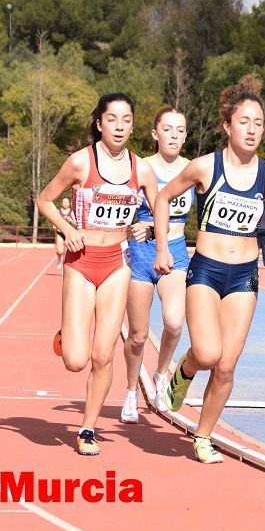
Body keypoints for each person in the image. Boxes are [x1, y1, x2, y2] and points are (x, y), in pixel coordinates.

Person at [153, 74, 265, 463]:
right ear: (227, 126)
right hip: (207, 270)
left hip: (244, 276)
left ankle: (203, 436)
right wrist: (163, 246)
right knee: (209, 352)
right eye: (244, 122)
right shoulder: (204, 168)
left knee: (227, 365)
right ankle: (183, 372)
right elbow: (163, 199)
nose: (251, 129)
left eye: (259, 123)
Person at [36, 92, 159, 456]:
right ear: (99, 123)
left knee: (104, 354)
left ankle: (87, 429)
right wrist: (66, 229)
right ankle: (66, 333)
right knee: (76, 360)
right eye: (112, 119)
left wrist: (148, 228)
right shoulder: (80, 163)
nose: (119, 126)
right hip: (81, 260)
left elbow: (160, 210)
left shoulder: (143, 169)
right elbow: (44, 199)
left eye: (126, 120)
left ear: (132, 125)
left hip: (117, 264)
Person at [121, 107, 192, 424]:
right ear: (154, 133)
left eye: (180, 129)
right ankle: (130, 392)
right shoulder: (140, 167)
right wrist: (131, 231)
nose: (174, 135)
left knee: (175, 323)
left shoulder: (192, 170)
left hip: (174, 250)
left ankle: (162, 375)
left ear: (186, 135)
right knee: (136, 337)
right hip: (140, 253)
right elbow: (121, 213)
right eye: (168, 128)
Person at [53, 196, 74, 269]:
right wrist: (54, 225)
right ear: (61, 203)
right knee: (60, 251)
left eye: (66, 202)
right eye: (64, 202)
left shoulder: (71, 212)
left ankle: (65, 265)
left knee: (68, 251)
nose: (65, 203)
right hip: (60, 232)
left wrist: (70, 219)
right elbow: (54, 220)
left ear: (69, 203)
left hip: (68, 233)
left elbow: (76, 223)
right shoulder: (58, 211)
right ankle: (59, 258)